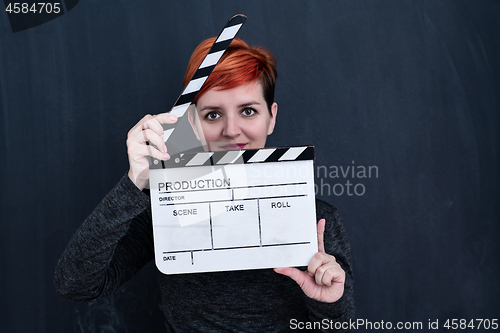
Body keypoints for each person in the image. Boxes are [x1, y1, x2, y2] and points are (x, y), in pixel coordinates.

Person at [55, 37, 355, 332]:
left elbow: (342, 326)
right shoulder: (166, 210)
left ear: (271, 117)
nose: (232, 130)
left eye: (248, 111)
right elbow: (75, 284)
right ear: (192, 124)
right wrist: (135, 184)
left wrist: (330, 304)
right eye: (213, 115)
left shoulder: (319, 219)